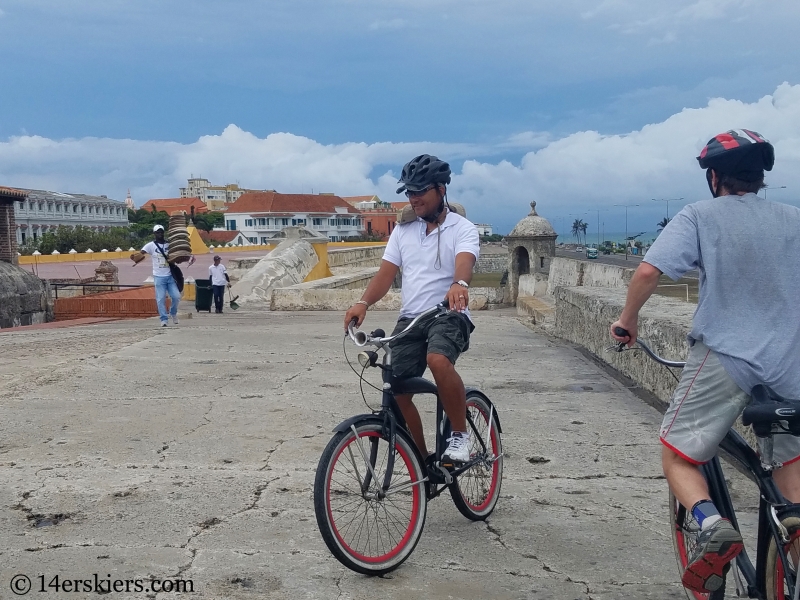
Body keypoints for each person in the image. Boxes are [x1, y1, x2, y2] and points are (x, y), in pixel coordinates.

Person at [610, 129, 800, 594]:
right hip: (790, 365)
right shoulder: (794, 219)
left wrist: (627, 320)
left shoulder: (698, 215)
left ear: (714, 177)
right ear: (760, 177)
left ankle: (711, 522)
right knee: (790, 473)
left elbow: (649, 271)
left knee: (677, 453)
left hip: (726, 358)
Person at [343, 154, 480, 464]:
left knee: (437, 359)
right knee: (396, 388)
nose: (413, 198)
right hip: (411, 320)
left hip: (448, 315)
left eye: (420, 191)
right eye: (409, 191)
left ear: (441, 189)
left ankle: (460, 435)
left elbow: (465, 262)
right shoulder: (403, 231)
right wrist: (363, 302)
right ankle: (421, 460)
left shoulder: (463, 228)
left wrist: (459, 283)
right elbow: (385, 274)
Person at [132, 224, 194, 327]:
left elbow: (178, 254)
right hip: (159, 277)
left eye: (161, 232)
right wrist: (136, 257)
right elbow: (141, 253)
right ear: (154, 233)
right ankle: (164, 319)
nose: (160, 234)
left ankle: (173, 313)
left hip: (170, 276)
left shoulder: (169, 245)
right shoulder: (150, 245)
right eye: (158, 232)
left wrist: (187, 256)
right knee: (160, 299)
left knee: (176, 296)